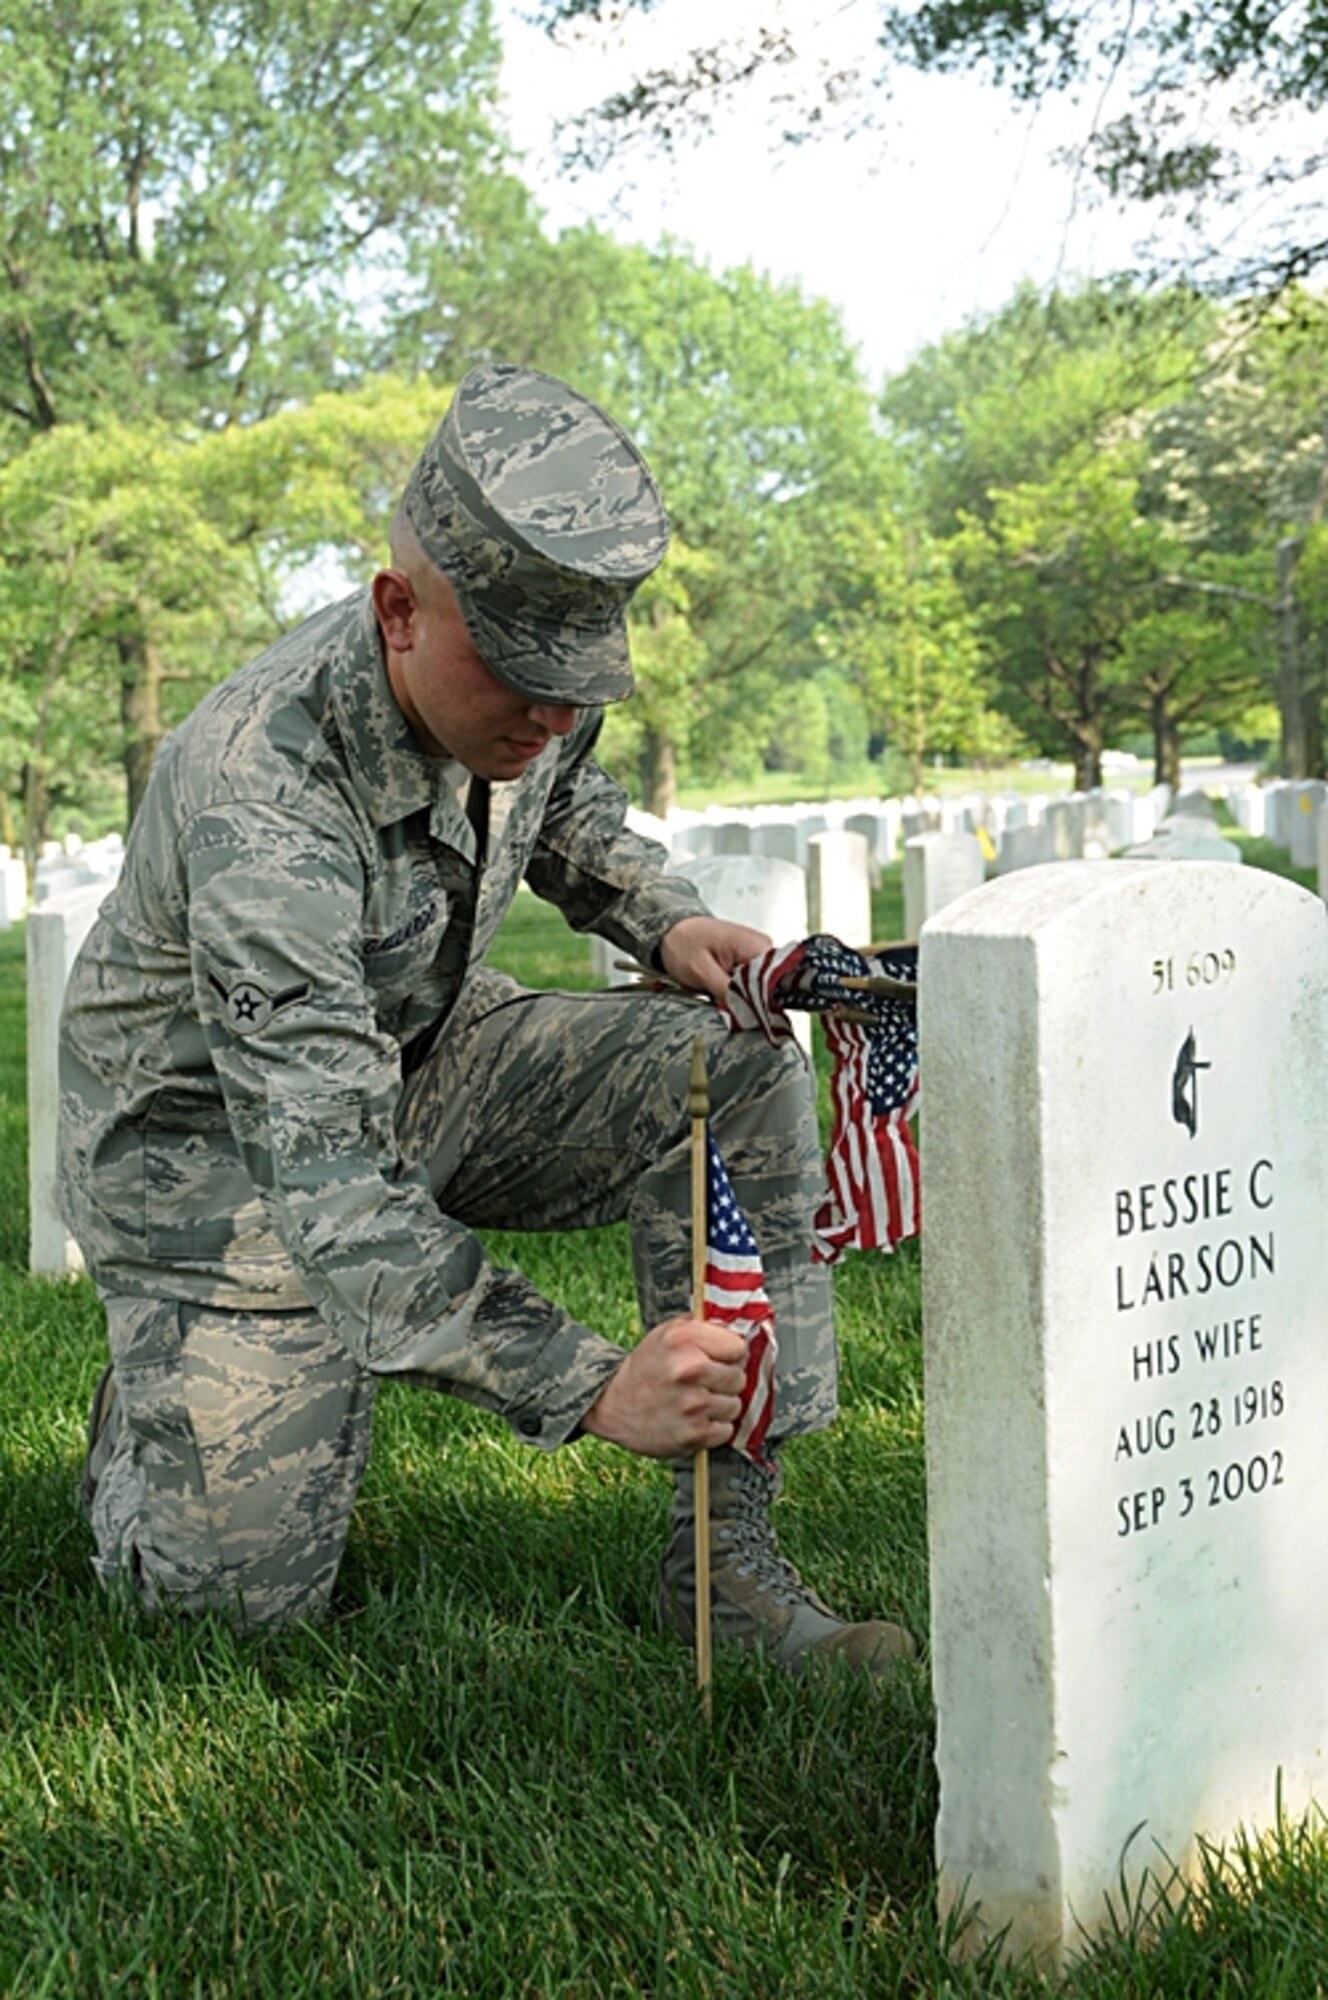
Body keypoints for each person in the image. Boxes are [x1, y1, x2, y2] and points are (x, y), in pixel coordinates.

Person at [59, 361, 915, 1675]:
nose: (559, 712)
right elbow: (325, 1178)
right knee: (232, 1613)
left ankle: (725, 1567)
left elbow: (568, 808)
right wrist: (586, 1384)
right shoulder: (260, 790)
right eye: (525, 672)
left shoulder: (534, 702)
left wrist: (666, 921)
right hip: (217, 1170)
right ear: (398, 609)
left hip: (431, 1060)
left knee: (737, 1070)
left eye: (583, 681)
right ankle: (163, 1404)